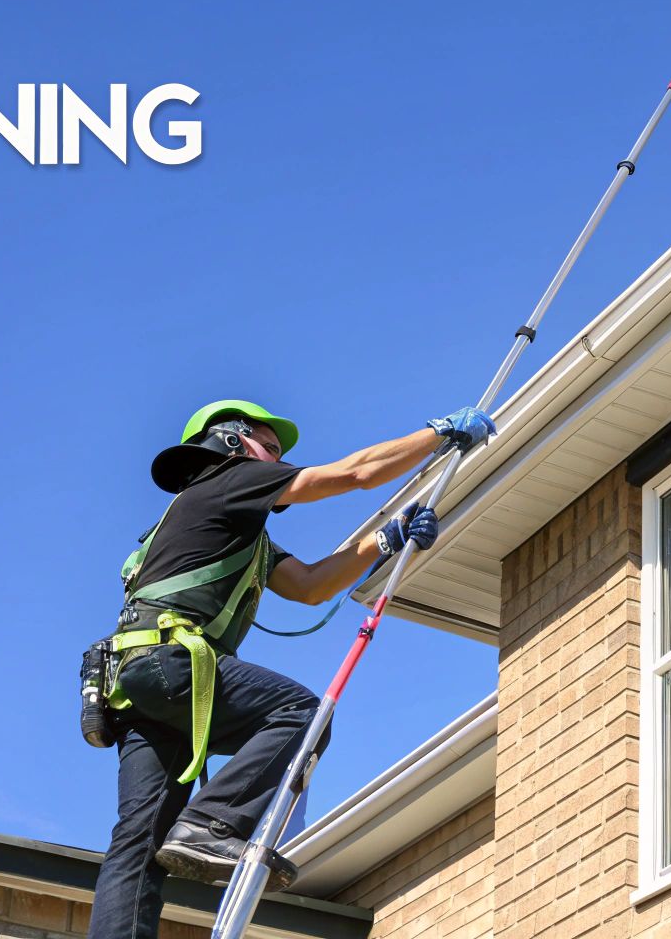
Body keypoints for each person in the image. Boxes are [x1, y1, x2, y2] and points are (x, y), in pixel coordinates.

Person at [87, 399, 496, 939]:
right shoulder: (229, 481)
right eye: (270, 447)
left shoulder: (232, 526)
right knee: (301, 712)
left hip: (141, 681)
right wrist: (437, 435)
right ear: (231, 442)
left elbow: (309, 586)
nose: (277, 462)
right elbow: (354, 473)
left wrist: (386, 541)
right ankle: (213, 823)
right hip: (174, 664)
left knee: (137, 843)